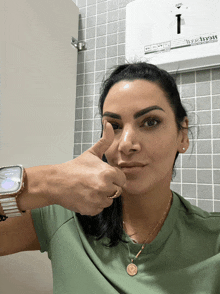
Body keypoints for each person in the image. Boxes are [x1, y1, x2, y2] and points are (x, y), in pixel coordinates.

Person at [1, 62, 220, 294]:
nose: (126, 144)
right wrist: (45, 181)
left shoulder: (213, 240)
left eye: (150, 122)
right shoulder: (63, 215)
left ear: (182, 135)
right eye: (114, 125)